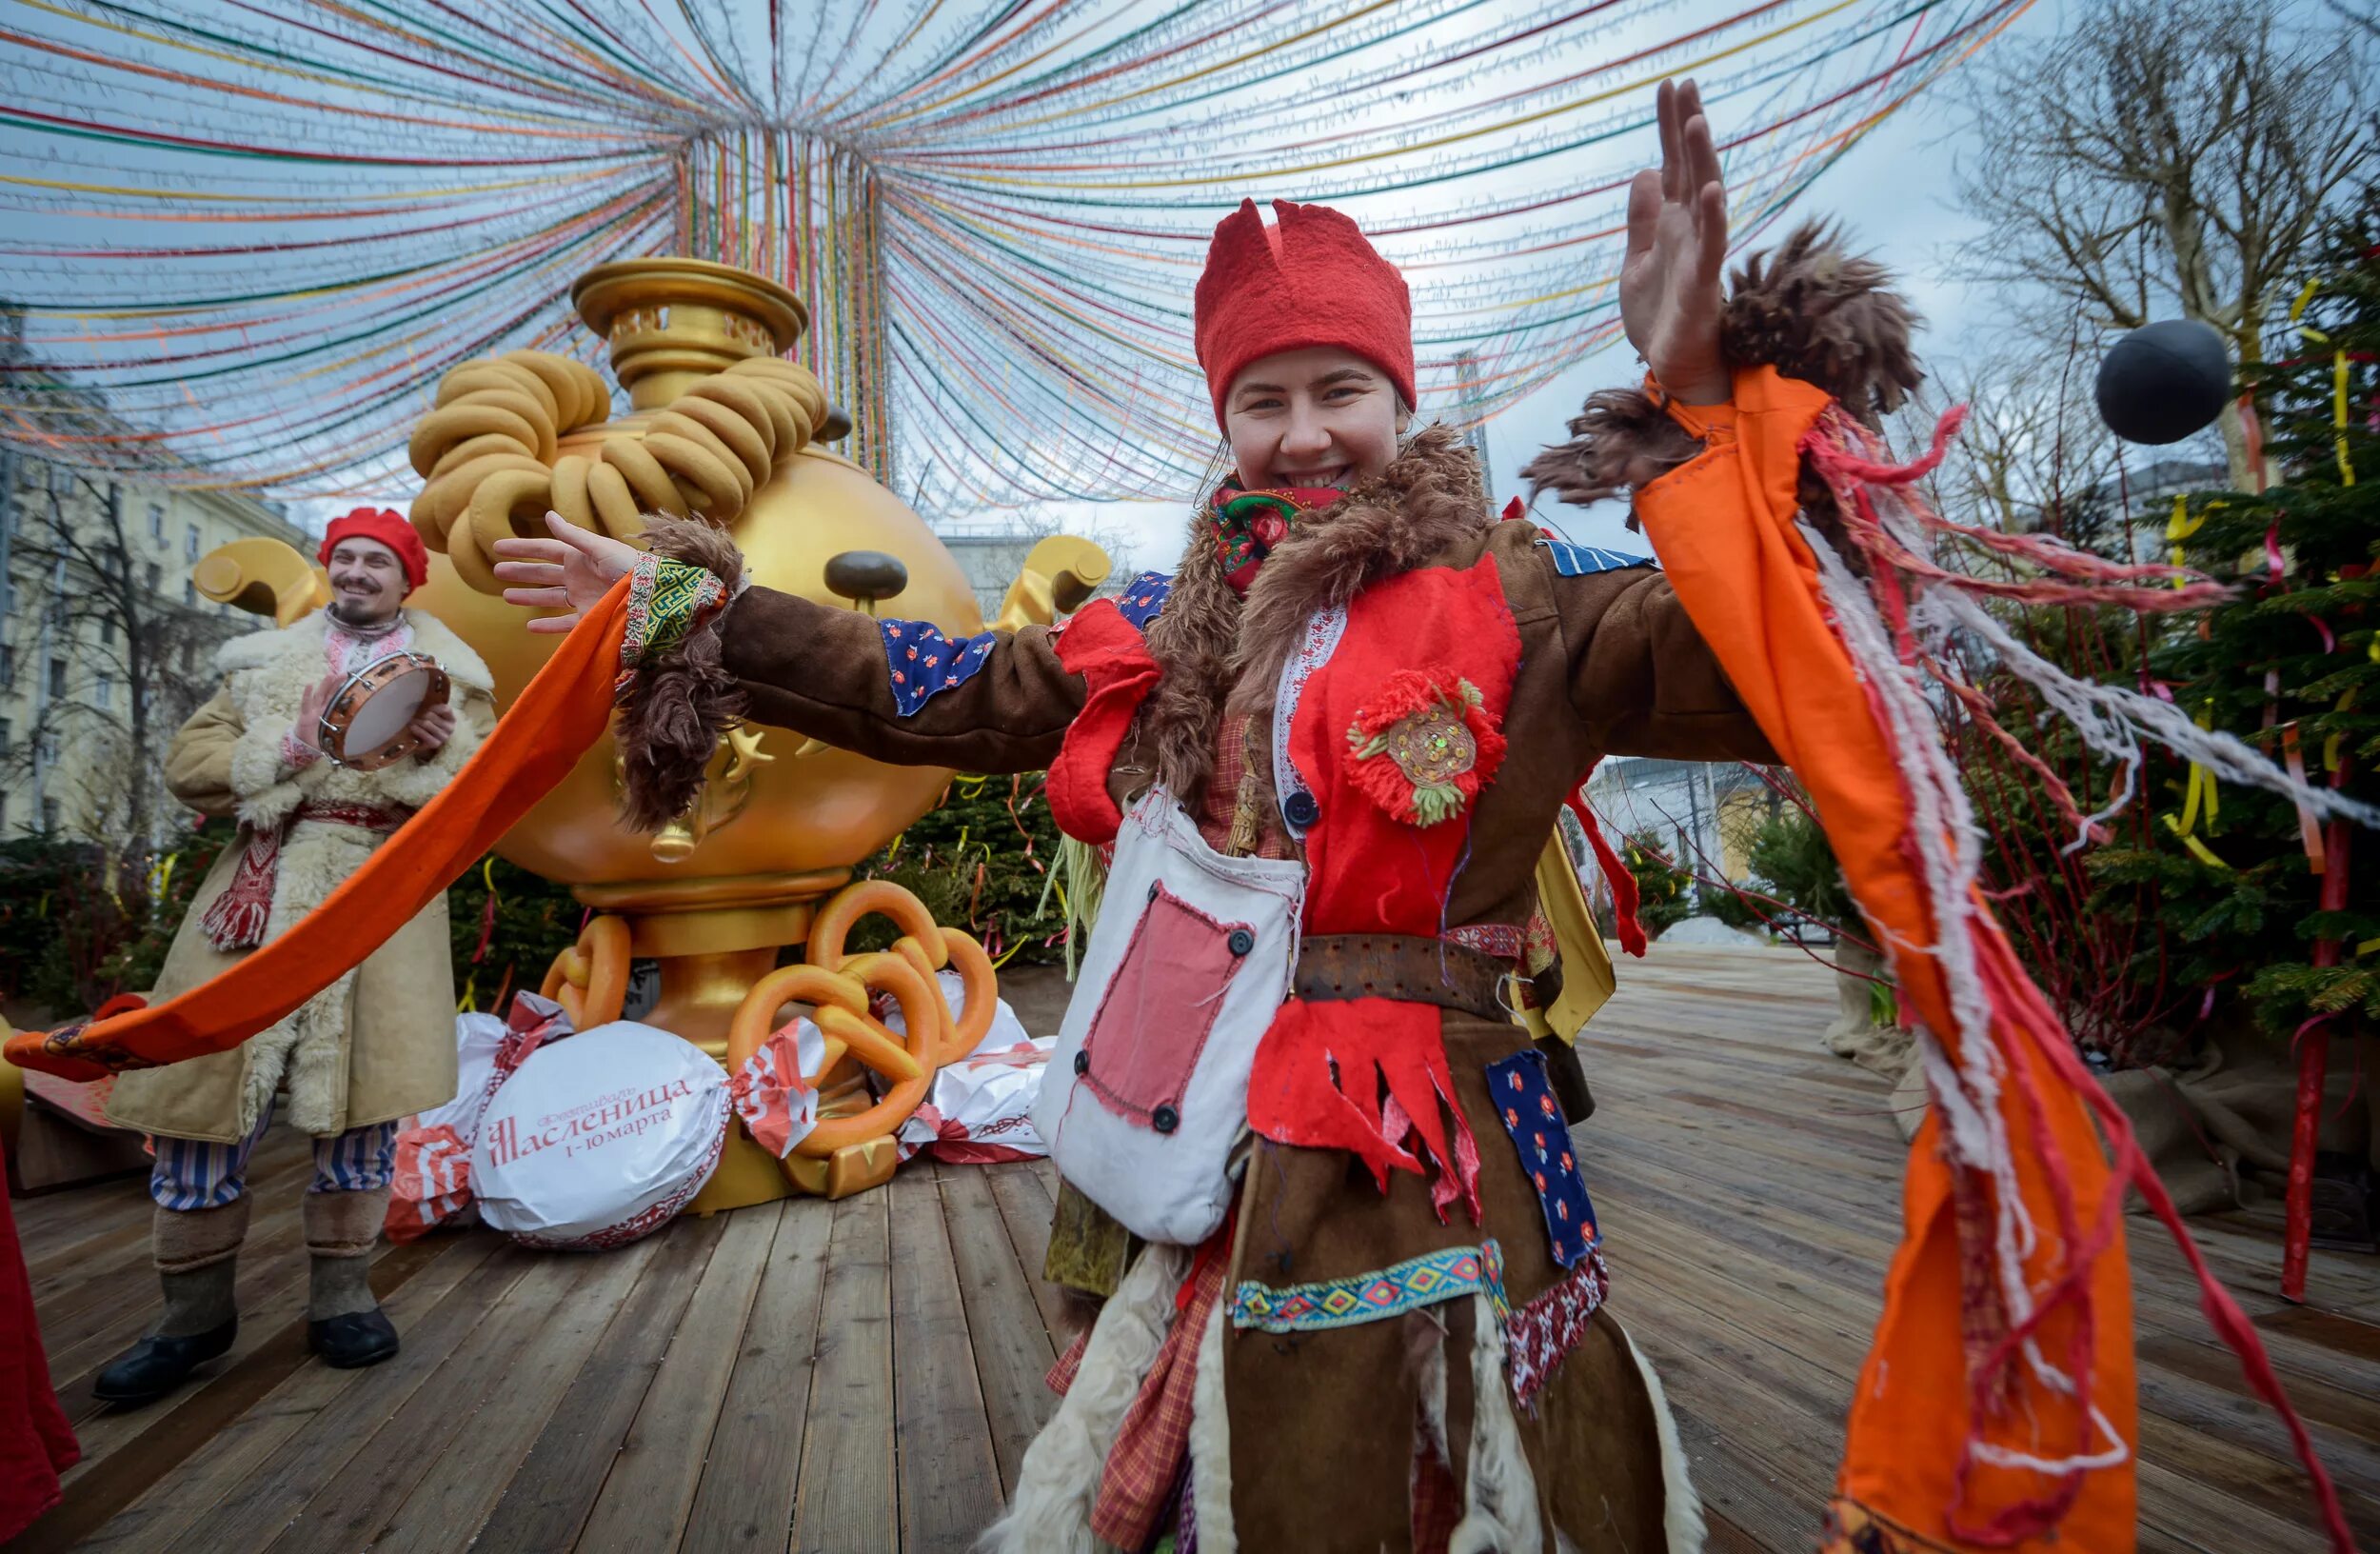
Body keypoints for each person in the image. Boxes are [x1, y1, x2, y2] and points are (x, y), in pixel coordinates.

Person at [495, 80, 1865, 1552]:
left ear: (1402, 404)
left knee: (1474, 1466)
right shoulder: (1175, 623)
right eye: (1262, 402)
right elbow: (945, 689)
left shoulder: (1527, 597)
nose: (1305, 434)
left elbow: (1771, 642)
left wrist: (1708, 391)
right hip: (1202, 1122)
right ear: (1225, 422)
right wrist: (704, 613)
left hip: (1441, 1132)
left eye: (1340, 391)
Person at [95, 508, 493, 1405]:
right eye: (344, 558)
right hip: (258, 887)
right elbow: (189, 763)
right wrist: (288, 743)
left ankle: (344, 1298)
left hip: (378, 893)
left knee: (361, 1099)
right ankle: (189, 1319)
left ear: (407, 582)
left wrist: (445, 756)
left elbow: (481, 803)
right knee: (202, 1093)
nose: (356, 573)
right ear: (329, 569)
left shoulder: (458, 683)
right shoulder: (262, 667)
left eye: (377, 563)